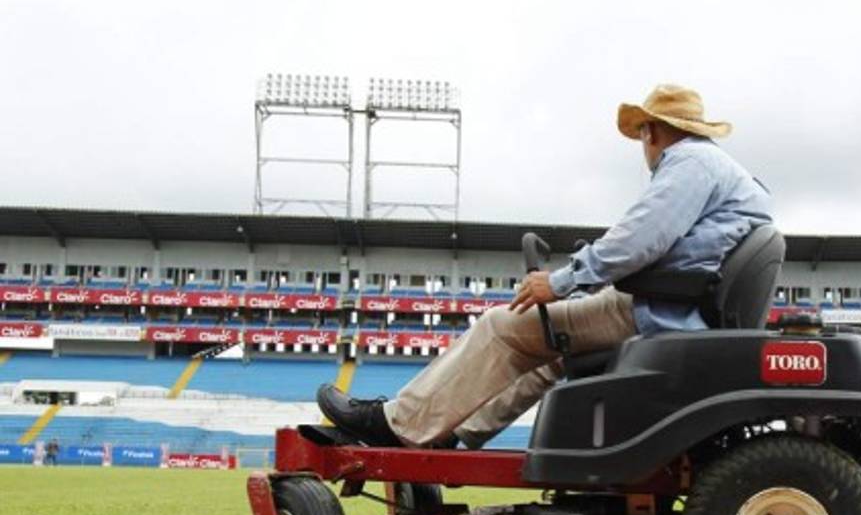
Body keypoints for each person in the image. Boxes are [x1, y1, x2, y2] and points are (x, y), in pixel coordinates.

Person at [318, 84, 772, 448]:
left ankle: (398, 423)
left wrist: (561, 281)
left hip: (660, 311)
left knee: (502, 325)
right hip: (681, 308)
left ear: (651, 132)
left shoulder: (688, 161)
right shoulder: (726, 173)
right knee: (550, 356)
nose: (643, 147)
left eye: (642, 137)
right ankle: (454, 433)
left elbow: (639, 240)